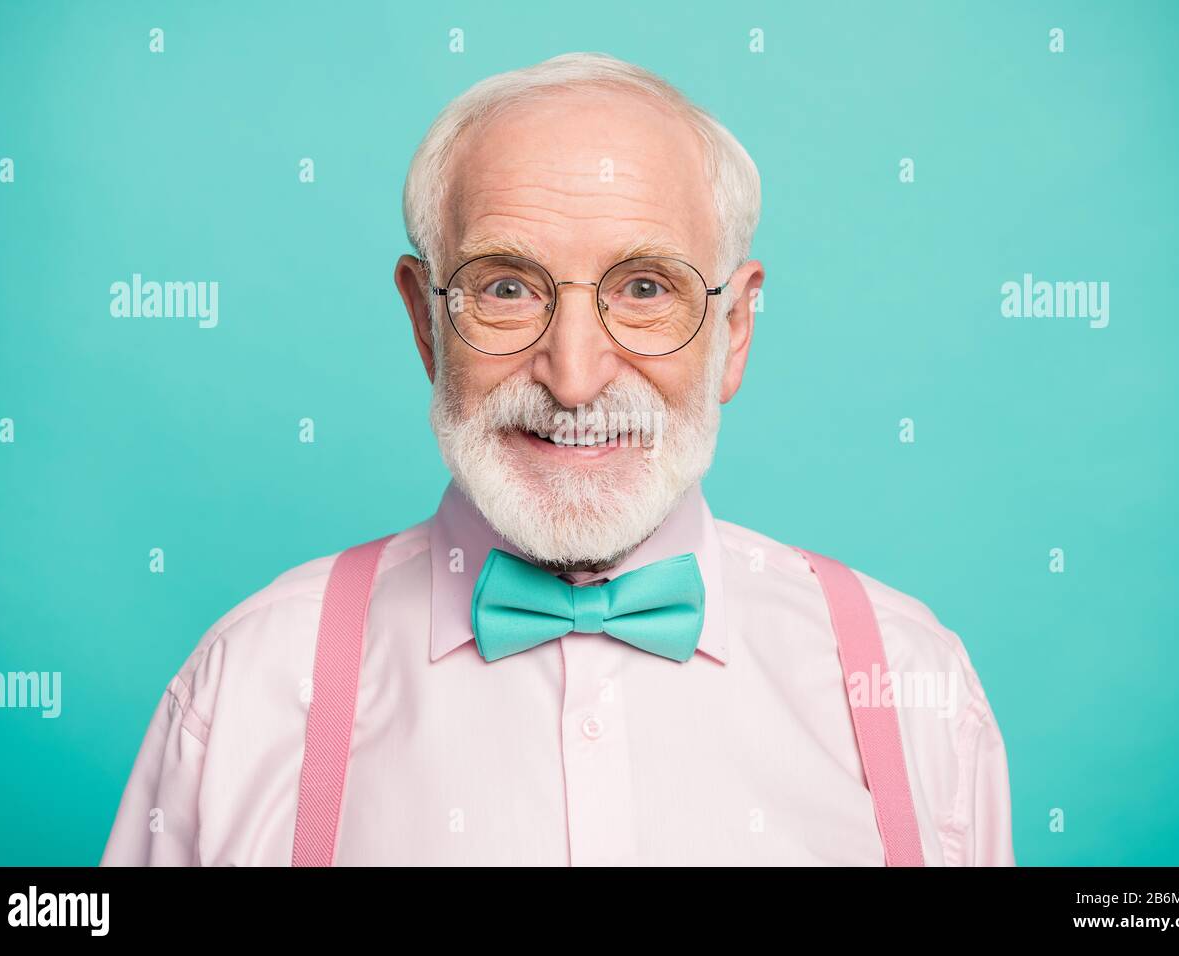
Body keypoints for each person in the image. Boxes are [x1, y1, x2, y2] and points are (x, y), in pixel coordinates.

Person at [101, 52, 1014, 866]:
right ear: (426, 324)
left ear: (735, 330)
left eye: (645, 288)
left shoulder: (909, 684)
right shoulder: (249, 688)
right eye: (506, 287)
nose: (574, 379)